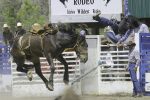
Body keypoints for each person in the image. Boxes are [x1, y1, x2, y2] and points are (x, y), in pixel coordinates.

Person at [117, 15, 149, 97]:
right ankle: (136, 91)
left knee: (140, 74)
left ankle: (140, 91)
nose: (128, 25)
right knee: (134, 76)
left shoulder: (143, 27)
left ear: (133, 22)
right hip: (134, 52)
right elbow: (124, 37)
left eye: (129, 23)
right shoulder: (131, 29)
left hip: (143, 52)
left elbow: (147, 38)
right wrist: (119, 41)